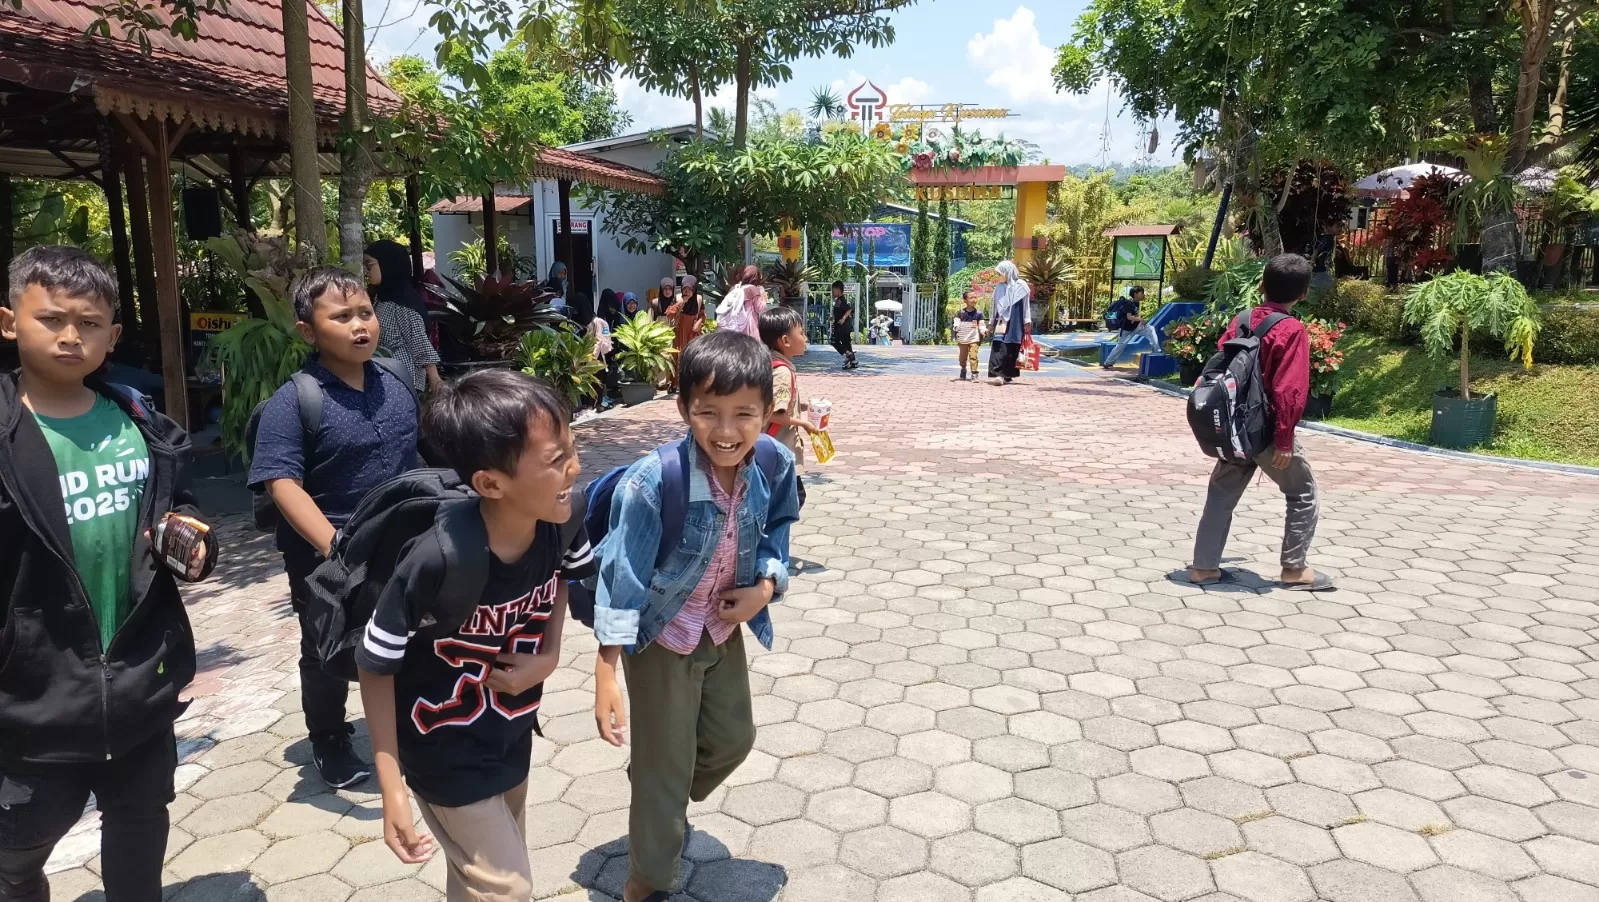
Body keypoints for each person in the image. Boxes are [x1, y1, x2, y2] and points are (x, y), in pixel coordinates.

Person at [0, 245, 216, 902]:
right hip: (32, 696)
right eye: (52, 319)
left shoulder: (139, 422)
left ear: (113, 335)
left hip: (139, 680)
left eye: (89, 323)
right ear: (10, 322)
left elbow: (176, 506)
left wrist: (193, 540)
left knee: (140, 819)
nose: (71, 336)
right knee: (18, 852)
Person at [358, 370, 594, 901]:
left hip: (508, 731)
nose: (574, 469)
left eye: (572, 449)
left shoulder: (564, 518)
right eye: (556, 460)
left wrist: (550, 655)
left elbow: (566, 581)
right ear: (490, 483)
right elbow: (374, 663)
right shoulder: (439, 559)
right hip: (439, 746)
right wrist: (390, 783)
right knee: (508, 888)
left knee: (478, 882)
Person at [591, 331, 801, 902]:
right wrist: (606, 671)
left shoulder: (774, 465)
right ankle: (646, 881)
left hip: (724, 626)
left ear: (767, 413)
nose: (726, 431)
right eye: (709, 413)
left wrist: (765, 585)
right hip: (661, 634)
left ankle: (658, 787)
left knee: (733, 738)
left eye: (744, 415)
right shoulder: (654, 481)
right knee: (665, 771)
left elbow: (778, 530)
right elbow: (621, 576)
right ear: (684, 408)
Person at [249, 266, 421, 789]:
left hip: (404, 540)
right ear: (308, 331)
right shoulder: (294, 400)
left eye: (365, 313)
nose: (359, 326)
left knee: (408, 634)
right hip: (326, 554)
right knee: (326, 646)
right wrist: (337, 548)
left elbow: (424, 449)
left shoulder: (396, 378)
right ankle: (328, 736)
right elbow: (281, 483)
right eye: (341, 317)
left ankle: (409, 726)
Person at [1189, 253, 1333, 592]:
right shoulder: (1292, 329)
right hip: (1267, 431)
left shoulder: (1241, 319)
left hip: (1232, 427)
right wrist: (1284, 440)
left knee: (1221, 494)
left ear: (1262, 284)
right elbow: (1288, 389)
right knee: (1302, 491)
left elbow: (1222, 366)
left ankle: (1204, 567)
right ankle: (1294, 570)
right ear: (1304, 294)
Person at [760, 305, 819, 510]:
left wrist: (801, 405)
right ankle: (769, 537)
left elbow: (778, 402)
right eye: (801, 333)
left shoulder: (770, 362)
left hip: (770, 450)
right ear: (785, 341)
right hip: (779, 448)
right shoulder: (783, 372)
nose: (806, 338)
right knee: (792, 499)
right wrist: (804, 423)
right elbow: (772, 415)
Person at [366, 239, 443, 393]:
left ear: (388, 264)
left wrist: (435, 379)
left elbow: (419, 342)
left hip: (404, 381)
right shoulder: (381, 297)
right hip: (384, 379)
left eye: (370, 265)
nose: (366, 270)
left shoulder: (403, 303)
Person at [987, 260, 1032, 385]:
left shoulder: (1021, 286)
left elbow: (1026, 305)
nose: (998, 276)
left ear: (1008, 273)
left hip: (1016, 319)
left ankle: (1007, 374)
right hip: (1001, 320)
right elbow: (994, 306)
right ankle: (998, 374)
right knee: (999, 344)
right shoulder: (999, 287)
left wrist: (1027, 320)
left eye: (1000, 273)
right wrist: (991, 322)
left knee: (1012, 346)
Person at [1101, 286, 1160, 369]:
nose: (1143, 295)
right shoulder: (1129, 304)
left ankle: (1157, 351)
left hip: (1136, 327)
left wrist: (1139, 320)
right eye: (1141, 293)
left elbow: (1134, 316)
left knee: (1150, 329)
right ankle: (1108, 362)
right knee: (1120, 346)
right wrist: (1140, 319)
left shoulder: (1137, 303)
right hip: (1126, 329)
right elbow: (1129, 317)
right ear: (1135, 294)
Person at [666, 275, 705, 392]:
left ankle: (693, 383)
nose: (687, 292)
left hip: (693, 332)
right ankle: (675, 383)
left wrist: (699, 323)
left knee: (694, 356)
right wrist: (682, 302)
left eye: (689, 289)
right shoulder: (678, 298)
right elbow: (669, 313)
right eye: (684, 289)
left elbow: (702, 315)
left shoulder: (698, 299)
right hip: (680, 332)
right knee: (679, 357)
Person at [715, 264, 766, 341]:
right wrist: (764, 300)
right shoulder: (754, 289)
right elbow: (759, 308)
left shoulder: (737, 287)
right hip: (748, 324)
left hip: (735, 323)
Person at [952, 289, 986, 380]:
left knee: (973, 356)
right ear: (965, 300)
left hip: (974, 338)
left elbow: (982, 325)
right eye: (971, 298)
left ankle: (974, 373)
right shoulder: (961, 313)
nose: (974, 299)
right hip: (963, 339)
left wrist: (983, 331)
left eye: (975, 297)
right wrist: (956, 327)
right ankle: (963, 369)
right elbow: (956, 323)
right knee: (962, 357)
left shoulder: (979, 314)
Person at [828, 280, 857, 370]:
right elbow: (839, 312)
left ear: (838, 290)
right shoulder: (838, 301)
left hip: (842, 326)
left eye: (833, 290)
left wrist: (843, 319)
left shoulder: (841, 300)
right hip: (845, 326)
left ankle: (849, 354)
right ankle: (852, 361)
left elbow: (849, 309)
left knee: (834, 341)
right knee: (846, 342)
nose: (833, 292)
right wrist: (833, 318)